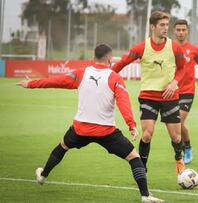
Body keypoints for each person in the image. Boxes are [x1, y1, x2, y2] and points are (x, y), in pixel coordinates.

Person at [16, 44, 164, 203]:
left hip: (80, 130)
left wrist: (31, 84)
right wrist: (131, 125)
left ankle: (43, 175)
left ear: (94, 57)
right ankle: (145, 195)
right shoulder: (114, 77)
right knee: (134, 158)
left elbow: (56, 81)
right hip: (106, 132)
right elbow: (124, 103)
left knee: (63, 146)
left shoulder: (81, 73)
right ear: (109, 59)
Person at [112, 11, 186, 175]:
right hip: (148, 97)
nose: (165, 28)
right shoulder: (141, 47)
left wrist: (174, 83)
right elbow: (122, 63)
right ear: (152, 27)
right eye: (162, 25)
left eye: (167, 25)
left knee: (176, 138)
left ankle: (179, 159)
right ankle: (141, 168)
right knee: (146, 134)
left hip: (170, 97)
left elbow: (182, 68)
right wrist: (105, 75)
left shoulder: (174, 47)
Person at [173, 19, 198, 164]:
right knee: (175, 123)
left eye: (183, 30)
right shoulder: (169, 48)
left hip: (188, 91)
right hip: (172, 91)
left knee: (178, 120)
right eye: (178, 30)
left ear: (187, 31)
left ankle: (187, 148)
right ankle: (182, 149)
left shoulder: (194, 49)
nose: (181, 32)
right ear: (174, 31)